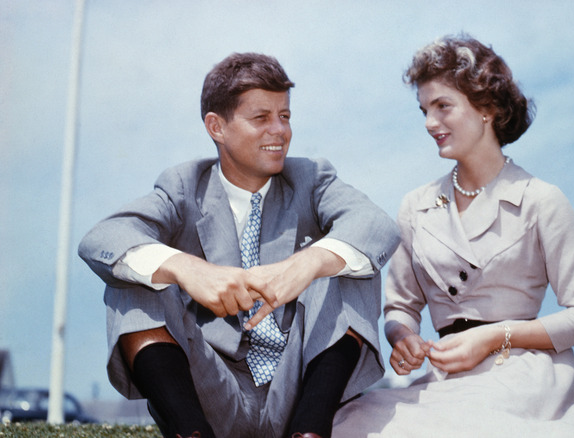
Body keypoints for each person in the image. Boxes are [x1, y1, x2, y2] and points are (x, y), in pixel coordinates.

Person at [332, 35, 574, 437]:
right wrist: (403, 337)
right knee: (352, 424)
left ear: (488, 109)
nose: (430, 123)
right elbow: (400, 307)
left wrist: (492, 337)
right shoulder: (415, 206)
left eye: (443, 106)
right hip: (445, 380)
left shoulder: (542, 200)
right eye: (424, 110)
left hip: (524, 377)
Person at [78, 52, 400, 438]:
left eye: (285, 116)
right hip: (211, 393)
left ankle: (310, 435)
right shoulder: (183, 187)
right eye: (261, 118)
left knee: (347, 260)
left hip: (299, 392)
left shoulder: (312, 178)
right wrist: (187, 268)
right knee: (135, 276)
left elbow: (376, 225)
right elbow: (102, 238)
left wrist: (308, 263)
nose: (279, 130)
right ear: (216, 126)